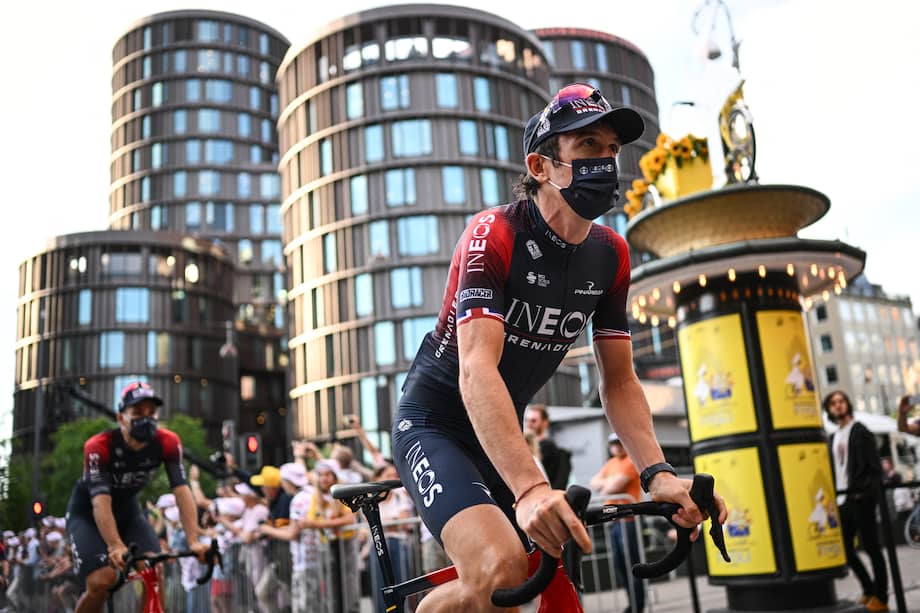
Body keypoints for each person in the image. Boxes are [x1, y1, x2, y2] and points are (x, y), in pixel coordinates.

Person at [390, 82, 726, 612]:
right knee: (500, 568)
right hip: (436, 425)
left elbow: (619, 381)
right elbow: (476, 369)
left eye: (612, 148)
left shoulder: (611, 255)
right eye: (587, 144)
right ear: (541, 166)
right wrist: (529, 491)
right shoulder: (494, 233)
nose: (605, 160)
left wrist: (657, 474)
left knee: (555, 578)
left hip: (500, 436)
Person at [65, 381, 208, 613]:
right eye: (138, 413)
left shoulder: (167, 442)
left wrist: (193, 540)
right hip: (88, 514)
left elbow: (182, 491)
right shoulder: (98, 446)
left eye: (151, 413)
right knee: (101, 581)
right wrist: (115, 545)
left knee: (153, 570)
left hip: (128, 512)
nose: (146, 418)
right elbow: (100, 501)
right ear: (121, 418)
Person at [824, 390, 889, 612]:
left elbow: (875, 468)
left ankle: (881, 598)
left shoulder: (861, 432)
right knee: (845, 550)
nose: (838, 405)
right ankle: (869, 589)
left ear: (847, 404)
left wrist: (866, 493)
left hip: (860, 498)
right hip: (842, 500)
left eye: (841, 401)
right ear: (829, 409)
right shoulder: (833, 437)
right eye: (833, 403)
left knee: (872, 547)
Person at [590, 433, 645, 613]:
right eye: (614, 443)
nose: (617, 447)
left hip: (628, 521)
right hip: (614, 521)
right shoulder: (611, 463)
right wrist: (609, 483)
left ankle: (638, 605)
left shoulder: (630, 461)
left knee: (632, 564)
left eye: (620, 443)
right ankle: (632, 603)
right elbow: (593, 482)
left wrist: (607, 484)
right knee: (620, 564)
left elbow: (612, 488)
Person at [523, 404, 572, 490]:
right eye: (526, 420)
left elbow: (559, 484)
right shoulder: (523, 449)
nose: (529, 424)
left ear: (545, 423)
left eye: (533, 421)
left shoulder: (554, 452)